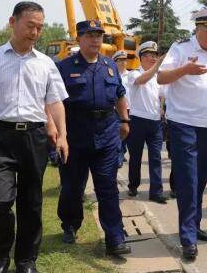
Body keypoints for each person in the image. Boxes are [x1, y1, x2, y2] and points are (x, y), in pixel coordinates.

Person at [0, 1, 69, 273]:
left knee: (32, 203)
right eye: (30, 25)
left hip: (34, 138)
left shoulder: (46, 63)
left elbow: (56, 102)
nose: (35, 32)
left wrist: (62, 135)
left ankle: (26, 260)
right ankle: (2, 251)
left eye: (40, 27)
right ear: (13, 22)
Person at [56, 20, 131, 256]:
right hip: (75, 134)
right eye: (89, 35)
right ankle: (70, 223)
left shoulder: (109, 66)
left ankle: (115, 238)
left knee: (107, 187)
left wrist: (125, 120)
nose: (95, 39)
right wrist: (58, 133)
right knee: (72, 188)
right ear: (79, 39)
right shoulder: (64, 67)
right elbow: (54, 101)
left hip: (107, 134)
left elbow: (120, 95)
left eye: (98, 35)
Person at [157, 8, 207, 261]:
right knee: (187, 180)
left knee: (200, 178)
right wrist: (184, 70)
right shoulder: (180, 49)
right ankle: (187, 238)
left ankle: (194, 225)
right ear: (197, 28)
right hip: (183, 124)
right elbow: (161, 77)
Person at [125, 41, 168, 204]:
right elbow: (142, 80)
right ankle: (133, 185)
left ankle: (156, 192)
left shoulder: (158, 76)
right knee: (135, 156)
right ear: (141, 57)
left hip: (155, 122)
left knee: (156, 157)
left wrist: (162, 108)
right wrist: (157, 65)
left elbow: (162, 93)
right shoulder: (134, 73)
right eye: (150, 55)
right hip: (137, 121)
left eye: (155, 56)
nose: (153, 58)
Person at [112, 50, 130, 168]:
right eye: (120, 60)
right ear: (115, 62)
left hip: (128, 109)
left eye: (125, 60)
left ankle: (121, 152)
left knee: (126, 134)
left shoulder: (131, 75)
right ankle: (118, 156)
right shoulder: (112, 75)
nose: (123, 62)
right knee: (118, 133)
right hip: (115, 109)